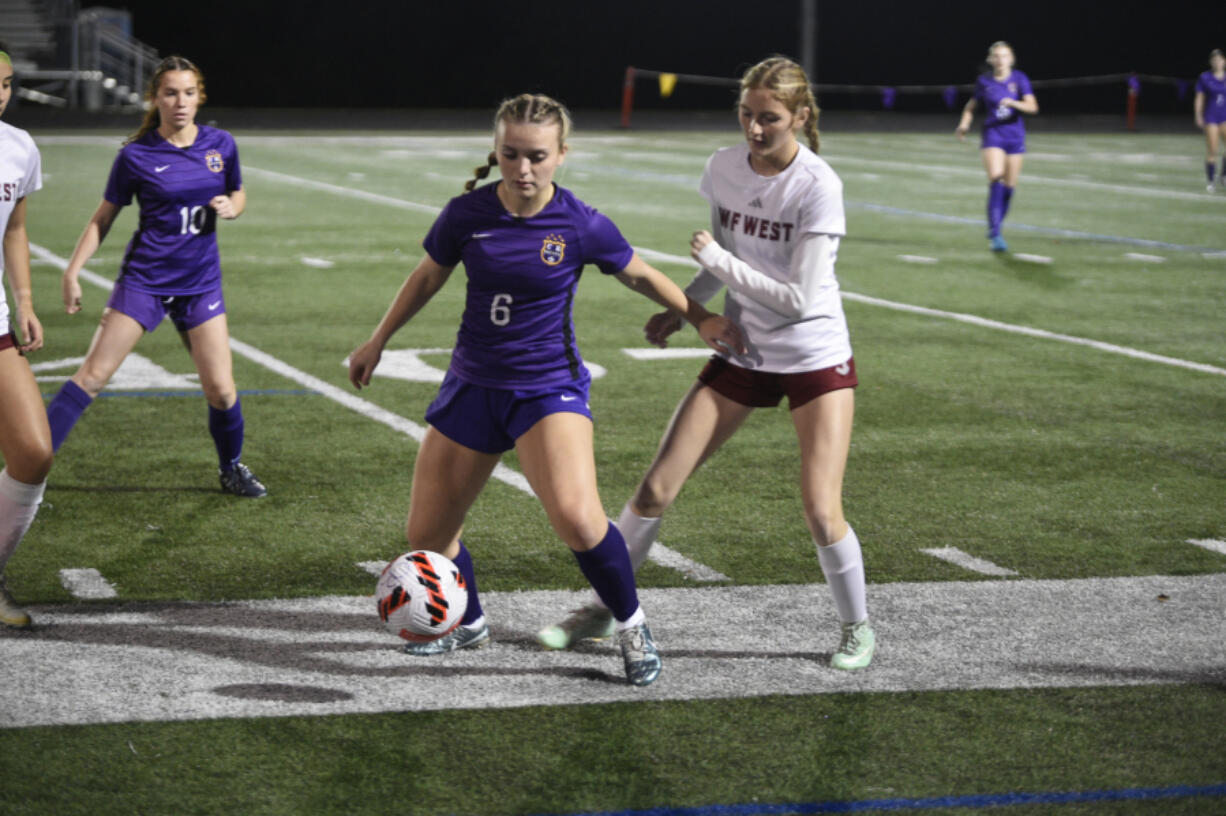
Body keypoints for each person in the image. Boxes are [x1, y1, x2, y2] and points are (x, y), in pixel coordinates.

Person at [347, 93, 743, 687]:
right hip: (472, 383)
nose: (523, 169)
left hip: (545, 387)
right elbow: (428, 274)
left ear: (561, 154)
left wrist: (700, 316)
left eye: (536, 156)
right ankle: (468, 620)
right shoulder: (466, 214)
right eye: (510, 155)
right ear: (497, 152)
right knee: (427, 537)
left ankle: (632, 626)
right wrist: (377, 339)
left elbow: (639, 272)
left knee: (581, 522)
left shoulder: (580, 223)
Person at [536, 56, 876, 672]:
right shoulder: (723, 166)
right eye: (746, 114)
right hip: (744, 348)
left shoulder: (818, 185)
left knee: (822, 509)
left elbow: (799, 300)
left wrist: (718, 264)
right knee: (655, 488)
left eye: (768, 118)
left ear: (799, 116)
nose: (753, 128)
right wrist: (688, 308)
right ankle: (603, 606)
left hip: (811, 355)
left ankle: (858, 628)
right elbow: (726, 255)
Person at [45, 56, 266, 497]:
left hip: (200, 284)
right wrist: (73, 271)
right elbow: (103, 218)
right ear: (155, 98)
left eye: (188, 93)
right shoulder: (136, 154)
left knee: (221, 391)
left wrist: (233, 208)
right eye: (170, 93)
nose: (180, 102)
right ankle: (29, 465)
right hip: (144, 281)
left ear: (199, 96)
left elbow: (236, 191)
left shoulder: (221, 145)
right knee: (91, 376)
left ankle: (232, 468)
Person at [0, 45, 54, 628]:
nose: (0, 93)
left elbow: (15, 226)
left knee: (33, 452)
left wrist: (26, 302)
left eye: (9, 84)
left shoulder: (18, 147)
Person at [955, 41, 1039, 252]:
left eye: (1004, 56)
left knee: (1010, 187)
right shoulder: (984, 82)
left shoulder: (1020, 79)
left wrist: (1014, 103)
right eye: (997, 56)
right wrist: (964, 124)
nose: (1000, 60)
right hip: (993, 135)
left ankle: (996, 226)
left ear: (1011, 59)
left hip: (1015, 136)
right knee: (996, 177)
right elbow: (971, 107)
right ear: (991, 60)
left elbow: (1032, 107)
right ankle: (995, 233)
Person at [1194, 49, 1226, 192]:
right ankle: (1211, 181)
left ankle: (1223, 176)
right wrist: (1198, 115)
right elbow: (1200, 98)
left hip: (1225, 116)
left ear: (1224, 61)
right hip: (1211, 117)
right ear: (1210, 62)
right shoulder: (1205, 77)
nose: (1217, 62)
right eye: (1214, 60)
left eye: (1219, 59)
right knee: (1213, 149)